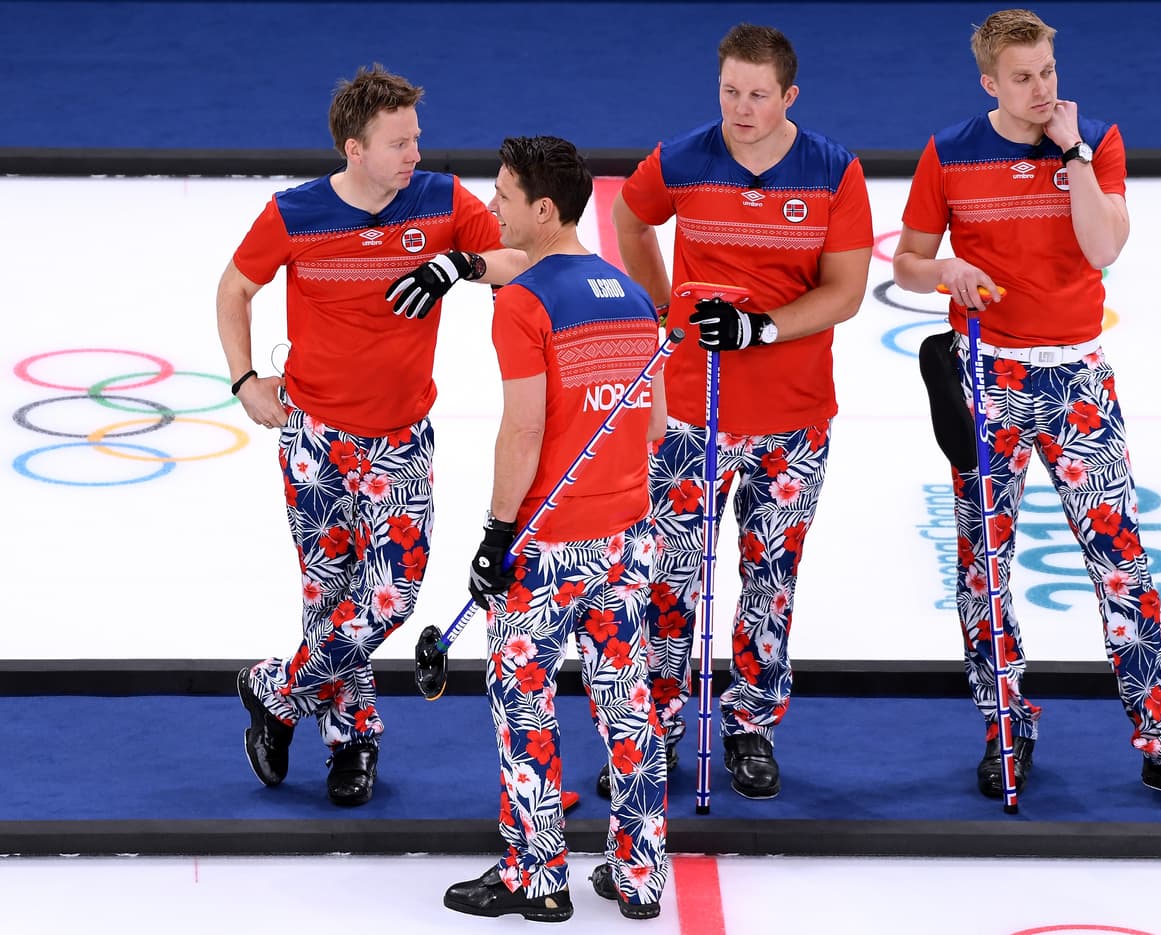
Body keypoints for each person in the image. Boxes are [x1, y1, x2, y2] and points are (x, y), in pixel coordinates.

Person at [893, 9, 1161, 813]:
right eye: (1022, 78)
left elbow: (1104, 246)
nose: (1042, 89)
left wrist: (1072, 153)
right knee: (984, 564)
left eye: (1047, 71)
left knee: (1121, 561)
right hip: (989, 378)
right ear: (990, 83)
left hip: (1078, 379)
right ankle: (1005, 723)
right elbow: (907, 262)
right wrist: (947, 270)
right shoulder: (949, 152)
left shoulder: (1096, 140)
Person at [216, 63, 527, 807]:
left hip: (401, 437)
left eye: (416, 138)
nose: (415, 153)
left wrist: (463, 261)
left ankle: (274, 690)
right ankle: (352, 740)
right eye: (399, 143)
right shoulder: (293, 214)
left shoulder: (444, 200)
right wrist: (243, 379)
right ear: (354, 150)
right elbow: (235, 288)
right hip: (315, 438)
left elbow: (523, 260)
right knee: (328, 599)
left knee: (388, 596)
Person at [603, 23, 873, 801]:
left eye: (758, 95)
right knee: (667, 577)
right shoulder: (683, 157)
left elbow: (845, 292)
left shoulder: (832, 171)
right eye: (729, 91)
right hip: (688, 414)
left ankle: (751, 725)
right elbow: (631, 216)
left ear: (789, 96)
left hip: (791, 418)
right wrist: (663, 305)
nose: (741, 108)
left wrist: (762, 326)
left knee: (769, 578)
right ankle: (649, 725)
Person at [441, 136, 669, 923]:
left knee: (525, 702)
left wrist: (494, 537)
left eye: (502, 196)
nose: (491, 208)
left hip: (545, 546)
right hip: (628, 535)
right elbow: (654, 425)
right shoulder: (634, 295)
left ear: (543, 210)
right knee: (628, 703)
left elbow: (523, 433)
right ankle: (640, 876)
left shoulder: (524, 304)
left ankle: (536, 877)